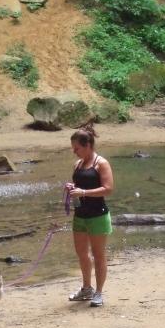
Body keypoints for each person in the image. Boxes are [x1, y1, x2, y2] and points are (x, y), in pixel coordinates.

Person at [65, 124, 114, 307]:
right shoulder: (77, 164)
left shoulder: (101, 163)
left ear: (87, 145)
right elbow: (79, 185)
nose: (74, 152)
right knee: (82, 254)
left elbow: (108, 189)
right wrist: (72, 188)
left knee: (98, 255)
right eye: (73, 148)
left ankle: (99, 293)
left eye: (76, 148)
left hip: (98, 216)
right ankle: (87, 288)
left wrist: (83, 192)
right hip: (80, 215)